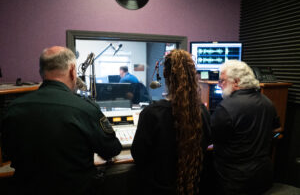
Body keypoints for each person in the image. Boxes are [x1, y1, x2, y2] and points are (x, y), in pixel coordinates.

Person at [1, 46, 122, 195]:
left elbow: (8, 151)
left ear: (41, 72)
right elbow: (111, 149)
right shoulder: (85, 108)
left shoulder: (13, 108)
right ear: (72, 70)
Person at [131, 49, 211, 195]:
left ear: (165, 75)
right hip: (193, 187)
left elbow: (138, 154)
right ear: (193, 76)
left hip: (159, 188)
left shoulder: (151, 113)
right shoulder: (203, 111)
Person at [211, 60, 281, 195]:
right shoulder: (268, 102)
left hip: (235, 179)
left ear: (236, 82)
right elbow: (277, 130)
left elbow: (211, 139)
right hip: (262, 176)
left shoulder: (225, 108)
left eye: (222, 81)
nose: (219, 85)